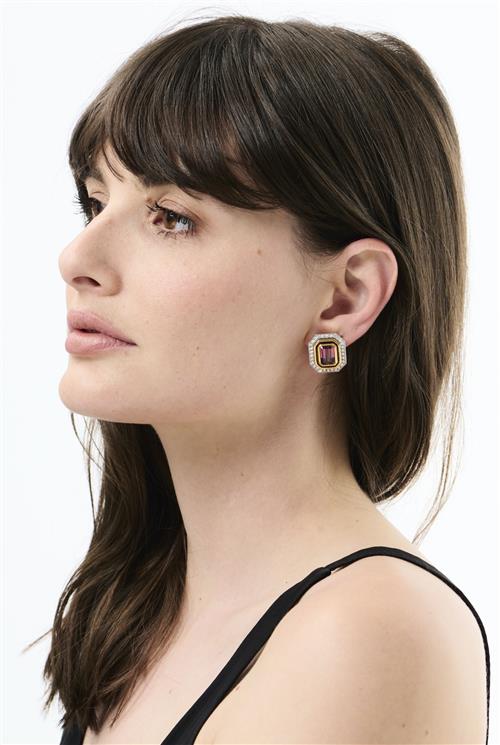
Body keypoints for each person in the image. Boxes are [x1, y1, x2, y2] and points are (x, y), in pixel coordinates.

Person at [28, 13, 490, 744]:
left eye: (171, 217)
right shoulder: (139, 610)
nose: (77, 257)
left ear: (345, 297)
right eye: (95, 202)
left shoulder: (368, 634)